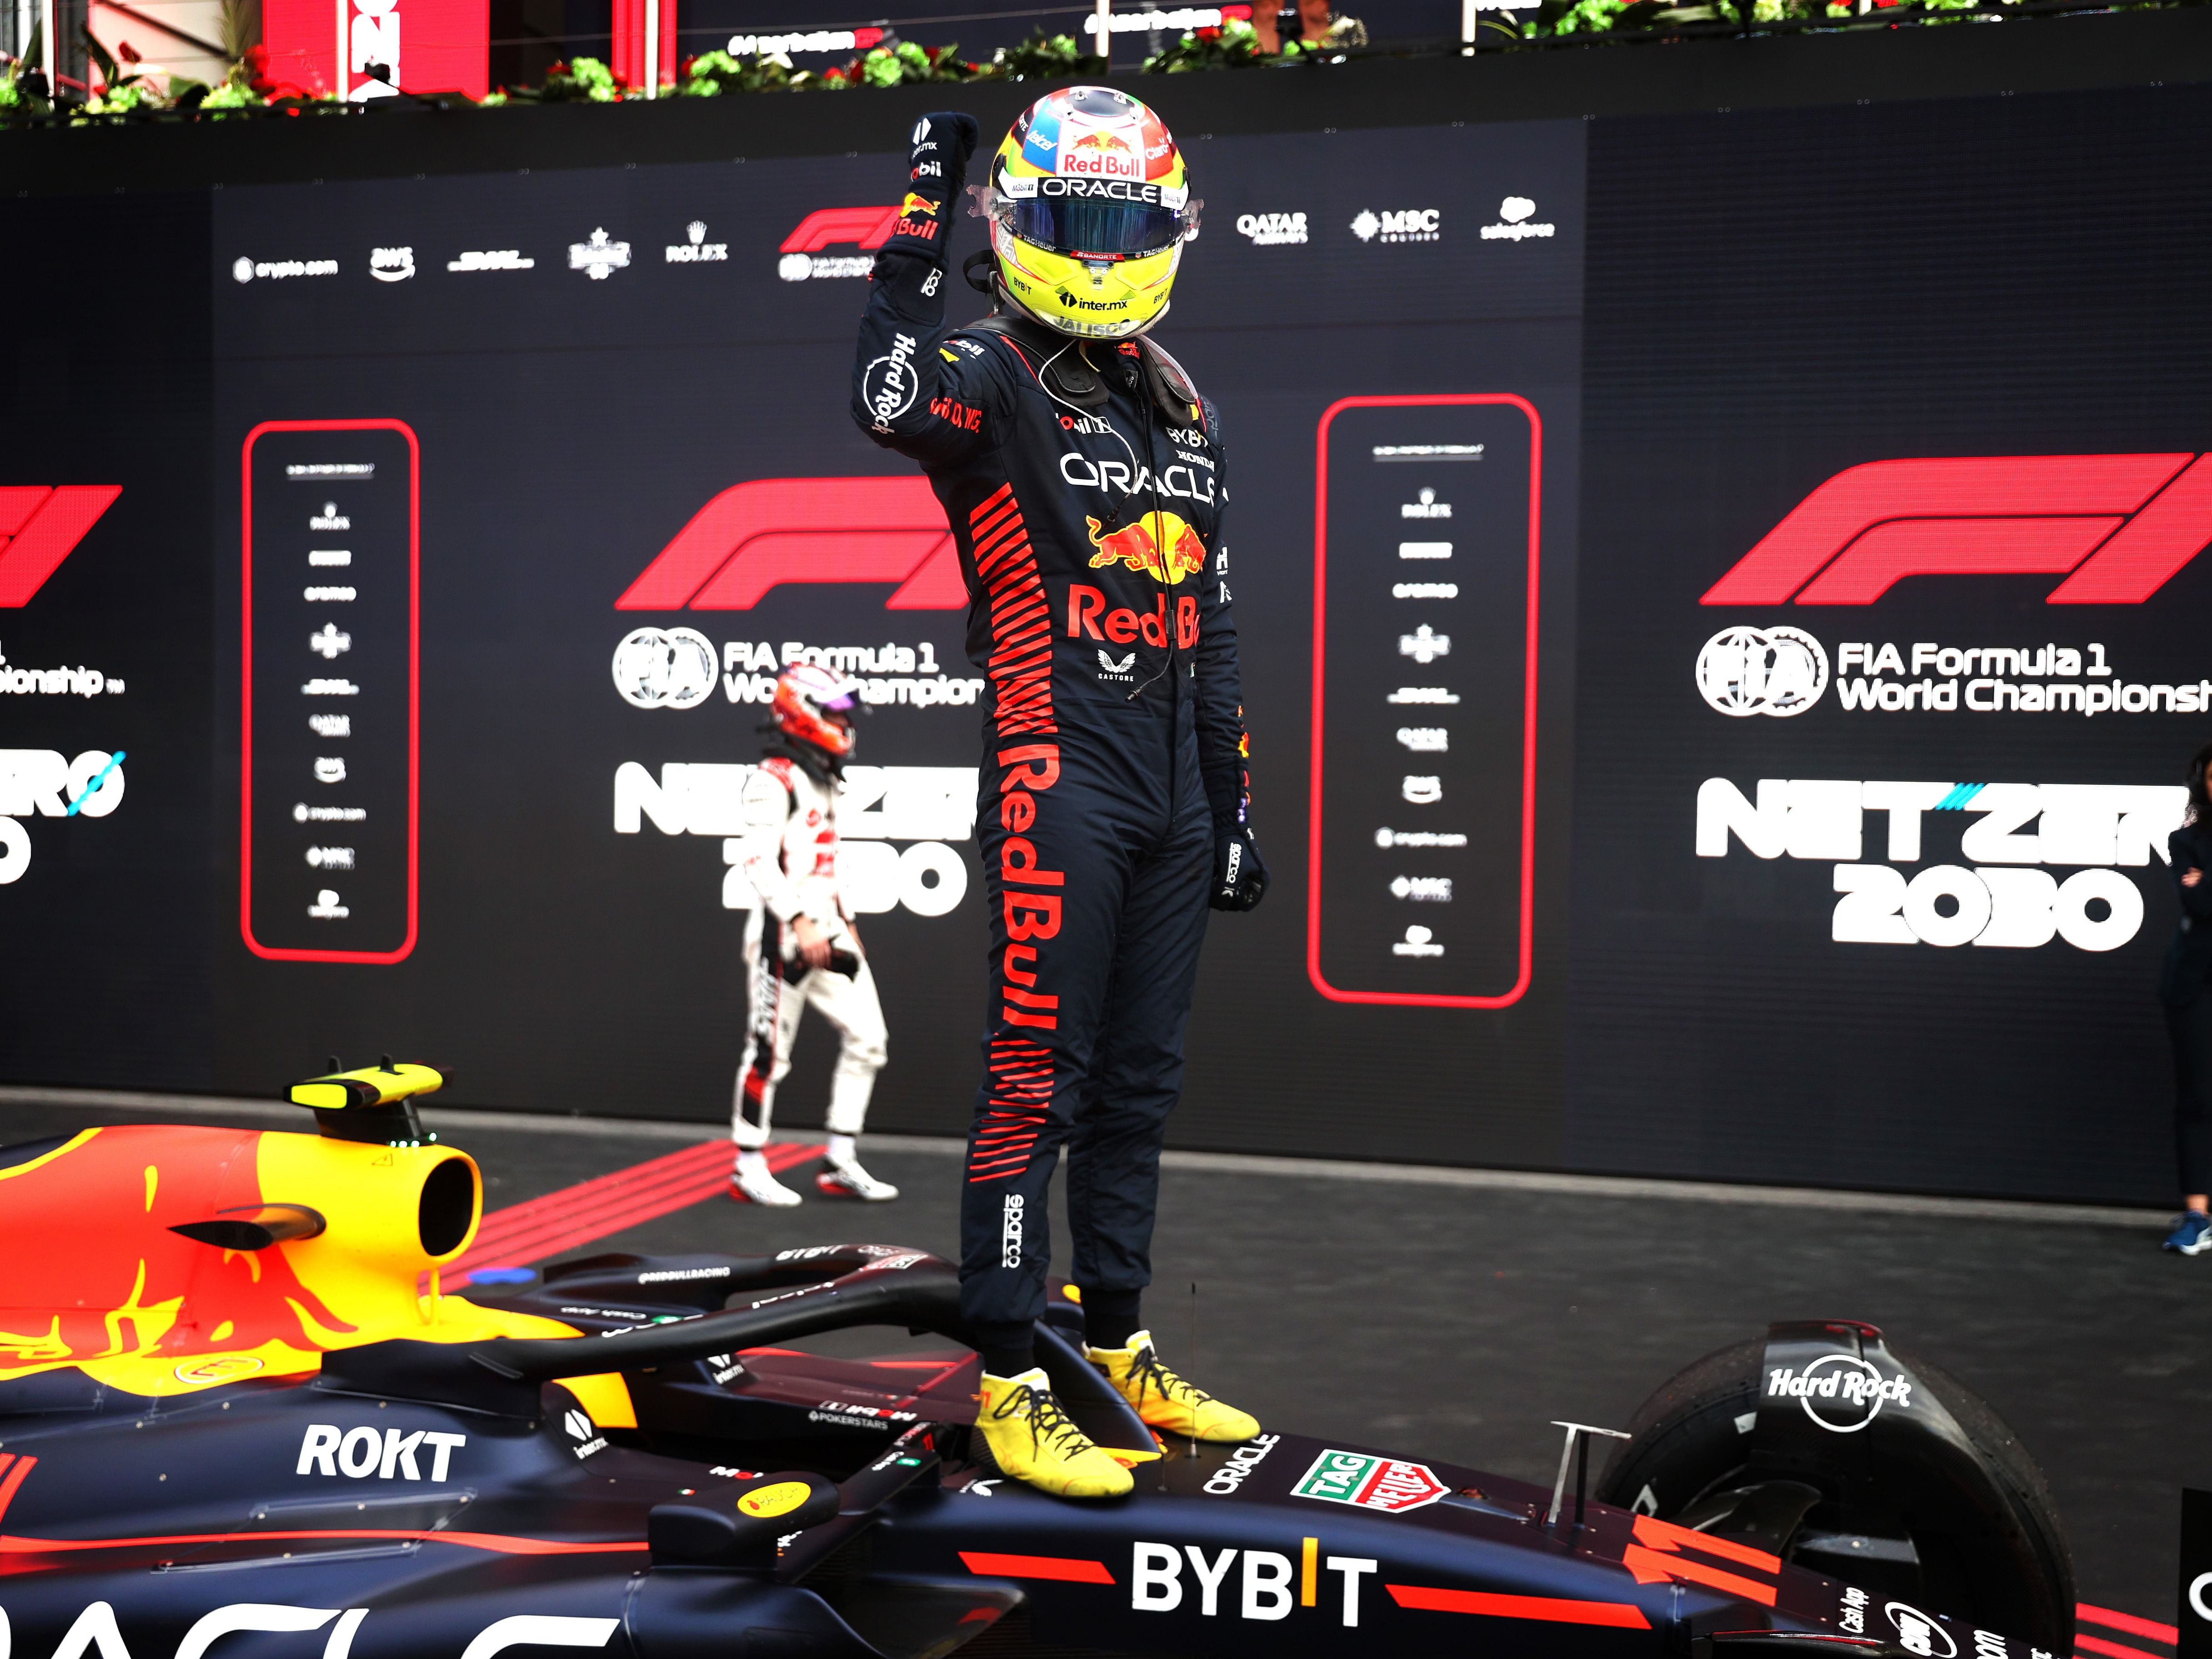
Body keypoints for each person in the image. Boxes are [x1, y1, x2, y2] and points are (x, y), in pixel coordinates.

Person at [850, 88, 1270, 1498]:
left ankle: (1118, 1343)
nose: (1097, 254)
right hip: (1059, 773)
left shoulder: (1184, 398)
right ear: (1015, 227)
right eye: (1072, 225)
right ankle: (1010, 1376)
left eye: (1122, 226)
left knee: (1139, 1091)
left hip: (1170, 799)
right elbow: (882, 393)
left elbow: (1211, 628)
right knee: (1037, 1084)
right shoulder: (986, 371)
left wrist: (1234, 804)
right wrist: (919, 206)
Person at [728, 664, 898, 1207]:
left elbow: (829, 861)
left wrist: (846, 920)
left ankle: (839, 1161)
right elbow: (756, 860)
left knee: (870, 1039)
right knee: (768, 1054)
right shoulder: (773, 777)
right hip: (785, 933)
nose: (841, 723)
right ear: (803, 711)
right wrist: (799, 922)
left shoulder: (823, 774)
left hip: (828, 929)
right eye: (832, 712)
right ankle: (747, 1166)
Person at [2162, 739, 2212, 1253]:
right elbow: (2196, 901)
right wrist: (2203, 888)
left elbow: (2206, 890)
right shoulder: (2185, 841)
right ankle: (2197, 1218)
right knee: (2198, 1099)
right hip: (2192, 985)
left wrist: (2208, 884)